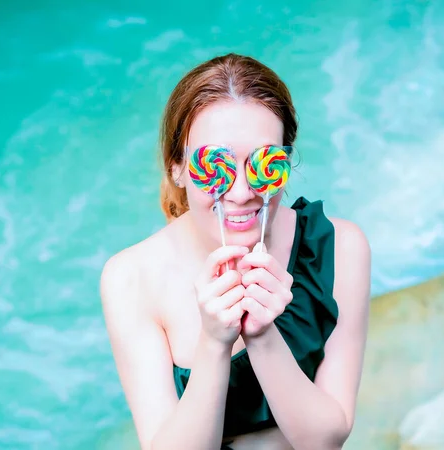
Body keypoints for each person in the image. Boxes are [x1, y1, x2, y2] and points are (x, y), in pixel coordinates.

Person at [100, 53, 371, 450]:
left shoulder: (340, 247)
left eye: (264, 162)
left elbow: (326, 440)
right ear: (177, 167)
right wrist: (213, 342)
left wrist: (262, 336)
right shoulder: (131, 278)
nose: (242, 192)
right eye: (216, 165)